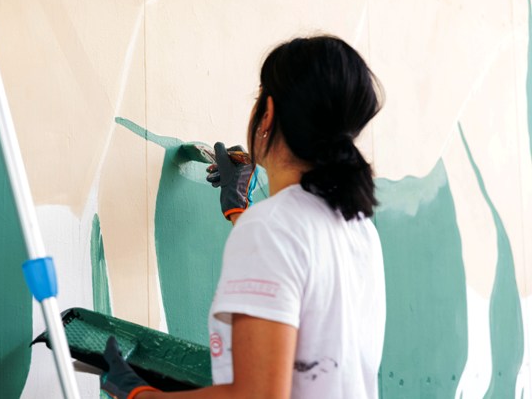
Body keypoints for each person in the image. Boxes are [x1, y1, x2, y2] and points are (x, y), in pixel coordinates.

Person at [100, 34, 386, 399]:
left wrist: (140, 396)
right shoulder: (358, 228)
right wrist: (240, 211)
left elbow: (259, 395)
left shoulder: (271, 227)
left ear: (267, 114)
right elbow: (302, 287)